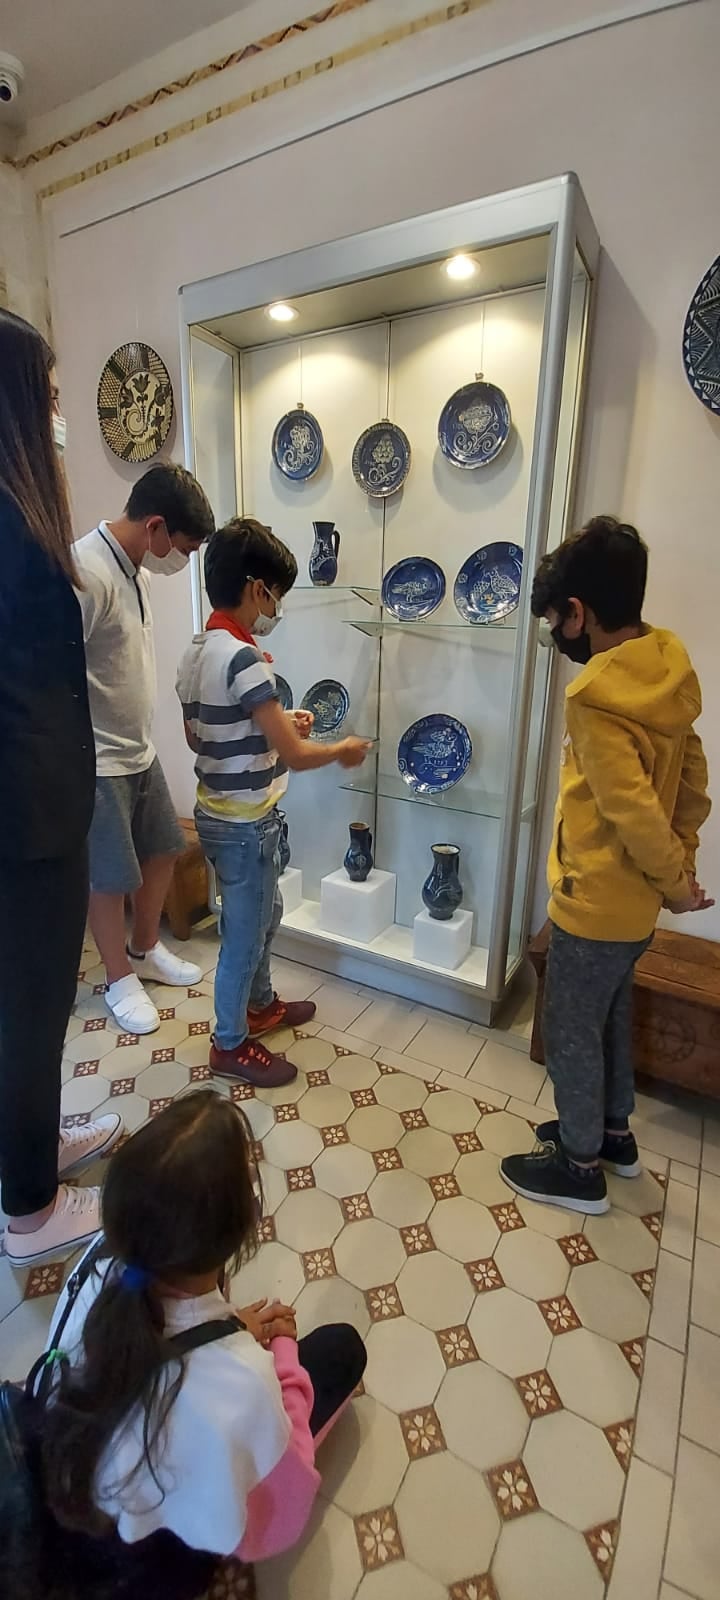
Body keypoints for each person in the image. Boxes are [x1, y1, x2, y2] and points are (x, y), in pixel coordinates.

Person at [42, 1091, 366, 1589]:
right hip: (155, 1562)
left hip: (70, 1508)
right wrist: (280, 1353)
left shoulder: (97, 1265)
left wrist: (230, 1327)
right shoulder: (244, 1381)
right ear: (241, 1228)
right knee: (342, 1350)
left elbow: (163, 1344)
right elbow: (279, 1516)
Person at [501, 516, 713, 1215]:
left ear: (578, 612)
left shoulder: (594, 696)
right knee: (611, 1017)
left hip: (593, 902)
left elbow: (631, 810)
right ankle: (612, 1135)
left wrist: (676, 883)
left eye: (554, 621)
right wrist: (679, 872)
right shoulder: (667, 671)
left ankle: (579, 1164)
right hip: (636, 909)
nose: (556, 635)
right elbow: (692, 787)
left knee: (569, 1028)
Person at [0, 309, 123, 1269]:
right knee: (32, 1008)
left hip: (39, 807)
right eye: (45, 397)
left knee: (35, 1006)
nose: (57, 417)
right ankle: (31, 1210)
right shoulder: (8, 523)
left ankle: (32, 1153)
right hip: (24, 819)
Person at [176, 517, 371, 1088]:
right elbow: (297, 756)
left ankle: (260, 1006)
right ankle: (229, 1042)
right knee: (244, 935)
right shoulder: (244, 658)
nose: (276, 608)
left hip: (218, 813)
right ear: (257, 588)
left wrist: (277, 724)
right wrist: (340, 748)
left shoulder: (197, 650)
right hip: (247, 824)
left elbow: (199, 736)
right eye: (276, 595)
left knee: (265, 915)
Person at [74, 463, 216, 1036]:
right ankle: (117, 978)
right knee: (110, 877)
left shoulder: (138, 572)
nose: (181, 559)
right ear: (156, 526)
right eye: (183, 547)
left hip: (139, 747)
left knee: (162, 848)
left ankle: (145, 947)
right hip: (98, 758)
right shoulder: (85, 571)